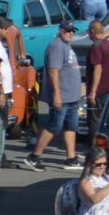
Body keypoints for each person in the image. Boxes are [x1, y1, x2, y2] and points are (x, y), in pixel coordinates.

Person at [26, 31, 85, 169]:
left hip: (71, 97)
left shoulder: (67, 45)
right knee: (54, 126)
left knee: (71, 126)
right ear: (60, 31)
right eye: (67, 31)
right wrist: (57, 95)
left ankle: (71, 159)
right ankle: (34, 157)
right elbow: (53, 71)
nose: (70, 34)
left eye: (72, 31)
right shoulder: (57, 46)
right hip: (62, 96)